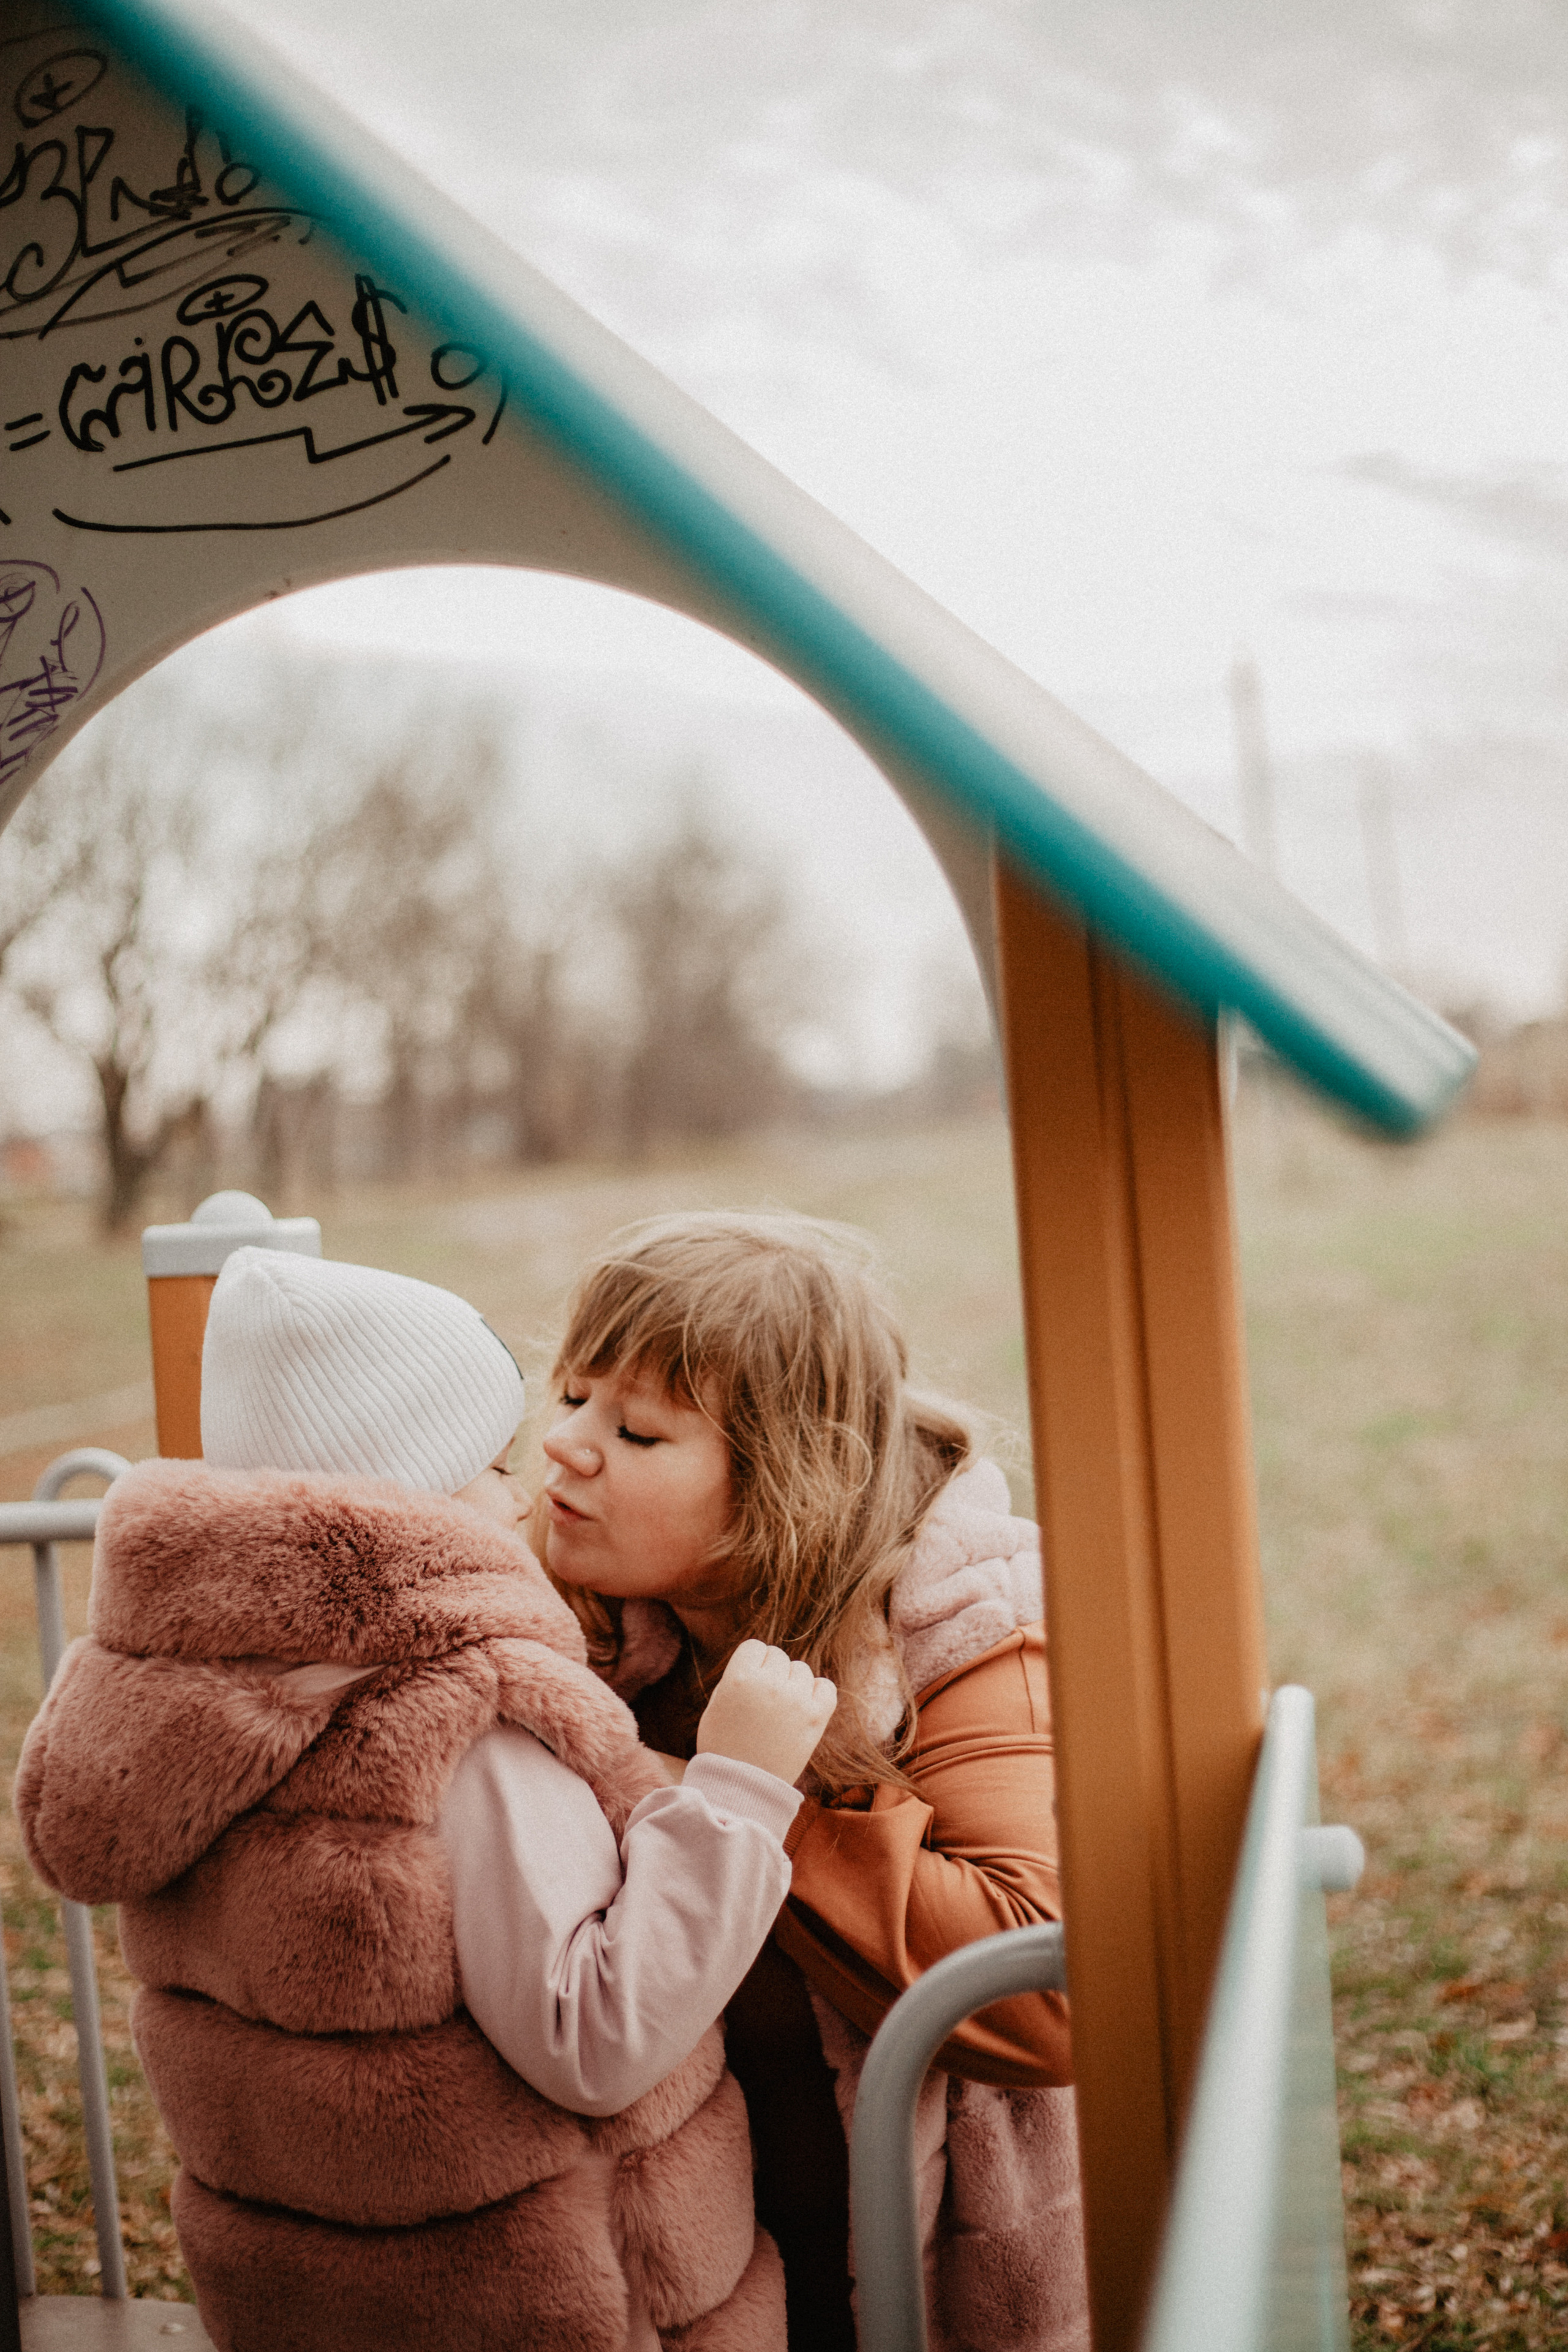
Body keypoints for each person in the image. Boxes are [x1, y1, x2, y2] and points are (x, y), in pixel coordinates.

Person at [17, 1245, 835, 2352]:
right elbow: (595, 2036)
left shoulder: (177, 1688)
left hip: (313, 2296)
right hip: (554, 2304)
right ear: (414, 1487)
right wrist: (736, 1789)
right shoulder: (464, 1714)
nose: (526, 1489)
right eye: (493, 1464)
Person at [529, 1212, 1090, 2352]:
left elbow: (1040, 1987)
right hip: (692, 2261)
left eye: (637, 1432)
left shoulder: (964, 1624)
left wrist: (733, 1790)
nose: (568, 1448)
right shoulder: (583, 1612)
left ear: (789, 1477)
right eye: (574, 1397)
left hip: (902, 2265)